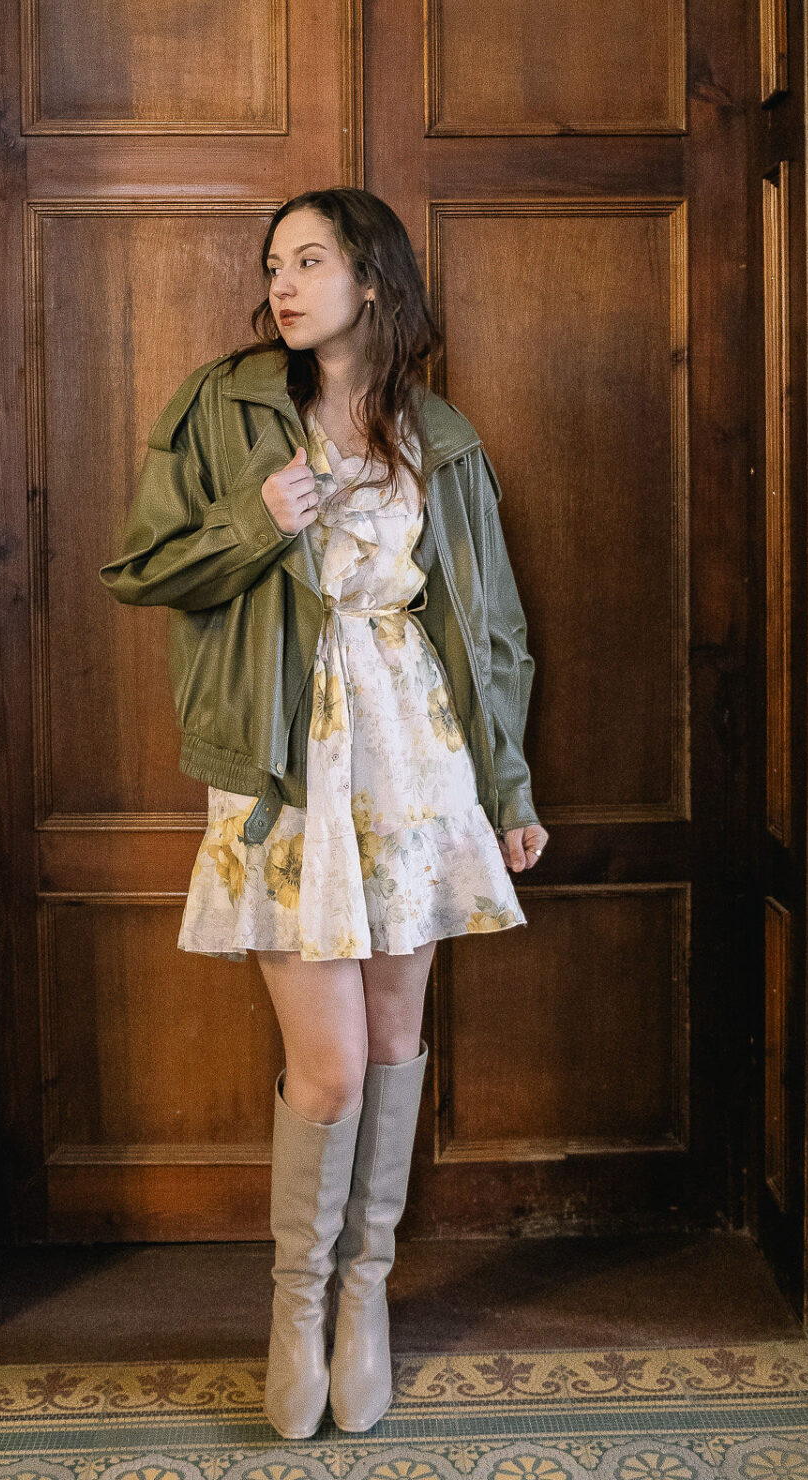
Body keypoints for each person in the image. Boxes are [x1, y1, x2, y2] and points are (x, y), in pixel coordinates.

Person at [100, 186, 547, 1439]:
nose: (283, 285)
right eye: (274, 265)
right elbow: (139, 568)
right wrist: (255, 520)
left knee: (396, 1040)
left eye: (309, 260)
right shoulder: (222, 405)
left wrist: (508, 785)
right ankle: (294, 1305)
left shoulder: (438, 436)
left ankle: (366, 1297)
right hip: (285, 754)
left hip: (414, 755)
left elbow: (488, 626)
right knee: (332, 1066)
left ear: (372, 279)